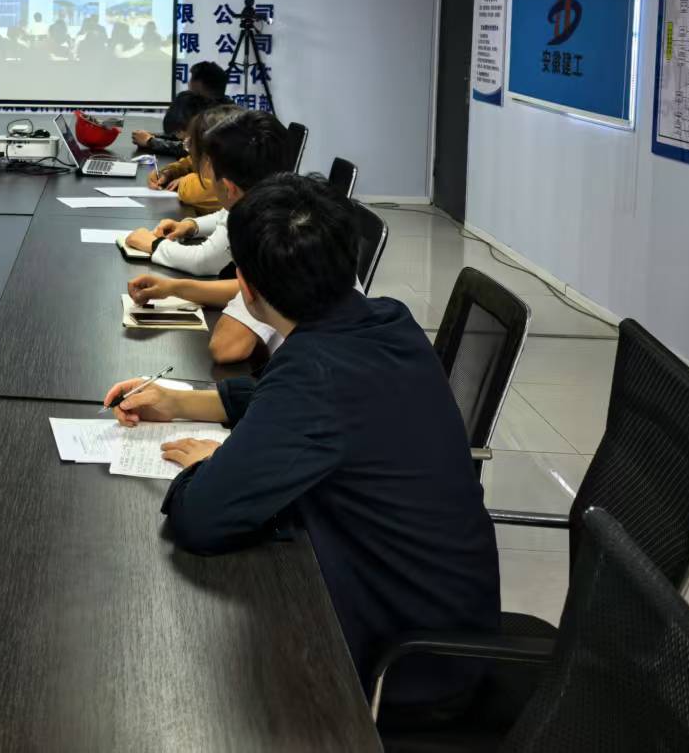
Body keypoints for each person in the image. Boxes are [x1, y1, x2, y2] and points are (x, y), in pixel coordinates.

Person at [104, 174, 500, 717]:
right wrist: (182, 402)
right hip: (439, 608)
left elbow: (202, 518)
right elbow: (295, 402)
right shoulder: (383, 320)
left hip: (404, 658)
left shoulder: (315, 372)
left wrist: (220, 463)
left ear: (245, 288)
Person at [124, 109, 297, 363]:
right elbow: (248, 289)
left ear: (228, 188)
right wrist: (174, 288)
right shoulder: (294, 209)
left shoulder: (271, 236)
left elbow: (227, 348)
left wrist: (159, 250)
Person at [134, 60, 231, 155]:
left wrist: (150, 141)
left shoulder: (214, 117)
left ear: (198, 84)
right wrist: (153, 136)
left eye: (191, 79)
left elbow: (190, 148)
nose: (188, 83)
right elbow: (181, 136)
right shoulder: (226, 108)